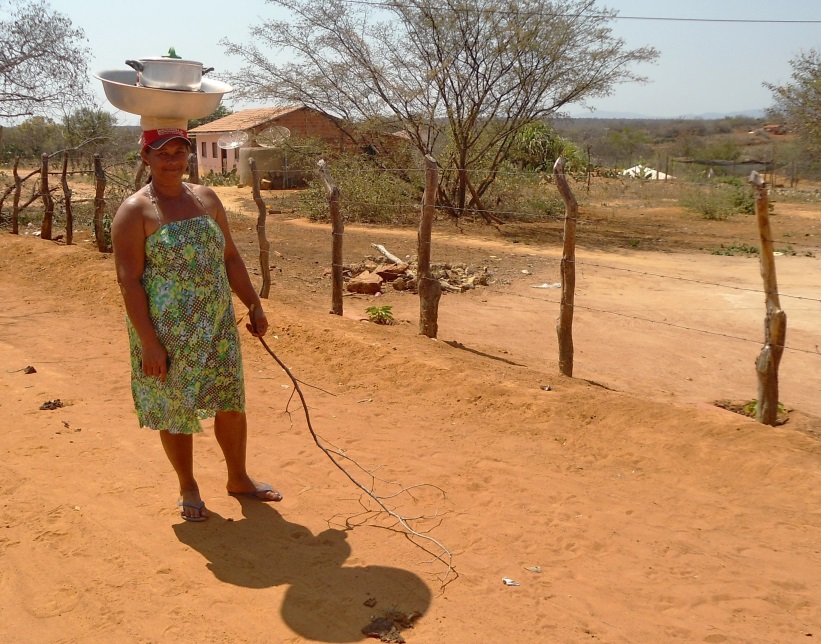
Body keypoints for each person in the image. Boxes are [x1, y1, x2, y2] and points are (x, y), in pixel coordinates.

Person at [111, 128, 281, 522]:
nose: (172, 160)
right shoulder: (134, 211)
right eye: (162, 153)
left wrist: (253, 303)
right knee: (175, 408)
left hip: (216, 323)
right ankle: (188, 485)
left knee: (230, 402)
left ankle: (238, 479)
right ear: (146, 159)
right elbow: (129, 280)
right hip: (165, 331)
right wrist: (149, 343)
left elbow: (231, 258)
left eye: (178, 152)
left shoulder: (206, 198)